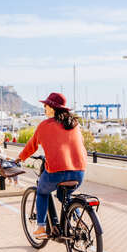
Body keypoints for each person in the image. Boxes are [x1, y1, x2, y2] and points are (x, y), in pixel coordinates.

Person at [15, 93, 86, 239]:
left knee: (42, 191)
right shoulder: (74, 124)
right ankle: (78, 220)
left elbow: (31, 146)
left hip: (56, 172)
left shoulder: (44, 126)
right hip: (79, 172)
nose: (44, 109)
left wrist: (19, 158)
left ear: (52, 108)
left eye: (45, 106)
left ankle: (41, 227)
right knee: (64, 195)